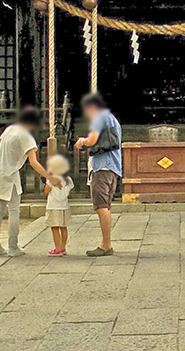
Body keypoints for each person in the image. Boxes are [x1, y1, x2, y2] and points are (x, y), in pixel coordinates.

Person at [0, 105, 60, 257]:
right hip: (9, 175)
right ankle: (13, 247)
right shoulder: (26, 137)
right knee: (13, 211)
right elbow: (34, 162)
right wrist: (49, 177)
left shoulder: (10, 129)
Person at [74, 93, 122, 257]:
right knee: (105, 205)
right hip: (113, 168)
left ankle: (106, 244)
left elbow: (92, 140)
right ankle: (106, 242)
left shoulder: (99, 117)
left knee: (101, 206)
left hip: (102, 167)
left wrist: (82, 141)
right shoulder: (111, 119)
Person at [44, 154, 73, 256]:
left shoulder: (52, 179)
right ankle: (63, 247)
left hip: (53, 206)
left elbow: (46, 190)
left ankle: (57, 248)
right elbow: (70, 189)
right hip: (64, 206)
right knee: (63, 227)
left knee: (55, 227)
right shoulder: (68, 179)